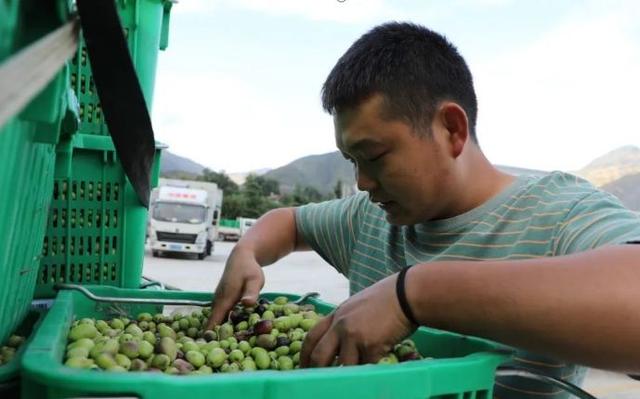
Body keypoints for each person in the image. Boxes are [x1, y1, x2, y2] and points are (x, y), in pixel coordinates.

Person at [207, 22, 640, 398]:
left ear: (451, 129)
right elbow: (289, 222)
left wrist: (412, 295)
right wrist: (248, 250)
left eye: (374, 155)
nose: (362, 182)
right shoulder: (369, 218)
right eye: (352, 162)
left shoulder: (559, 215)